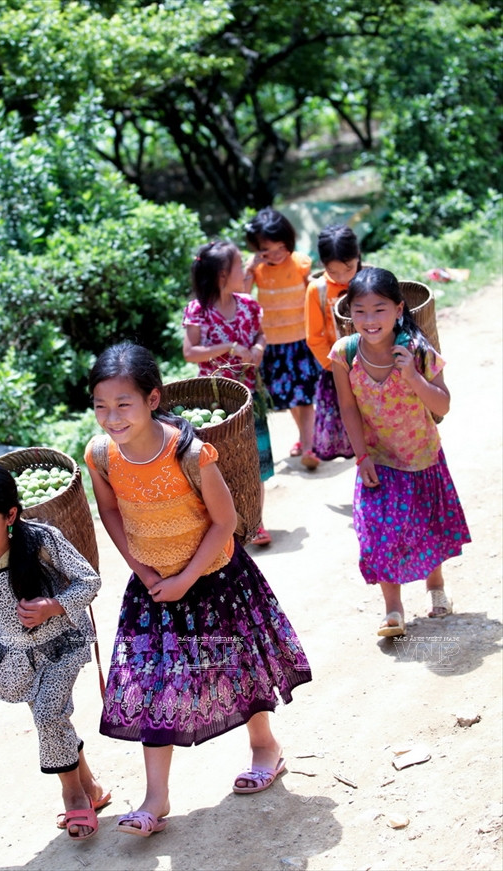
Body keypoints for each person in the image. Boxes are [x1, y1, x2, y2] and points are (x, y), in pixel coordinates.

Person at [84, 342, 311, 837]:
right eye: (101, 406)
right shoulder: (101, 454)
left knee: (239, 668)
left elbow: (225, 520)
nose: (111, 417)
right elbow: (111, 513)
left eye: (123, 404)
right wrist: (143, 572)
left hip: (212, 578)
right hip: (154, 588)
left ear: (152, 399)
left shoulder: (188, 452)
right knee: (153, 686)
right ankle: (156, 797)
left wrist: (186, 577)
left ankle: (264, 748)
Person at [0, 458, 108, 842]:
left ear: (10, 515)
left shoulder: (43, 540)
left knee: (49, 715)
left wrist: (53, 605)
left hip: (62, 642)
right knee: (55, 718)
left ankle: (74, 796)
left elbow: (89, 581)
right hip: (16, 653)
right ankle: (91, 788)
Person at [330, 267, 471, 637]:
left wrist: (412, 377)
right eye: (359, 310)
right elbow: (348, 407)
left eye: (379, 309)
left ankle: (436, 587)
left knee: (427, 527)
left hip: (421, 454)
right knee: (376, 532)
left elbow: (443, 405)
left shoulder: (417, 351)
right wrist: (361, 456)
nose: (369, 319)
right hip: (378, 458)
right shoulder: (344, 354)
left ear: (398, 309)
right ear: (350, 313)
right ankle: (393, 610)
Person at [183, 238, 275, 546]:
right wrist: (228, 347)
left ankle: (256, 521)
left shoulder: (248, 305)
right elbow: (190, 352)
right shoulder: (198, 310)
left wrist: (259, 347)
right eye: (238, 265)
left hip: (250, 395)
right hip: (215, 404)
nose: (245, 269)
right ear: (223, 274)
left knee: (253, 461)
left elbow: (261, 334)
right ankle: (225, 527)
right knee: (217, 467)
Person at [244, 207, 322, 470]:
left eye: (281, 248)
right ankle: (305, 437)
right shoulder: (256, 270)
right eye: (268, 251)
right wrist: (250, 268)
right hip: (273, 345)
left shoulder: (300, 262)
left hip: (302, 340)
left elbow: (313, 288)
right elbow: (242, 296)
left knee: (305, 397)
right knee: (289, 397)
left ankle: (311, 446)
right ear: (257, 249)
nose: (276, 255)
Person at [304, 224, 361, 461]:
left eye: (348, 268)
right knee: (355, 433)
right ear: (323, 264)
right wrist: (334, 367)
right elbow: (314, 337)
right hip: (337, 371)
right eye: (333, 271)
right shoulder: (317, 290)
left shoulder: (371, 280)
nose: (343, 277)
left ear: (358, 256)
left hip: (378, 366)